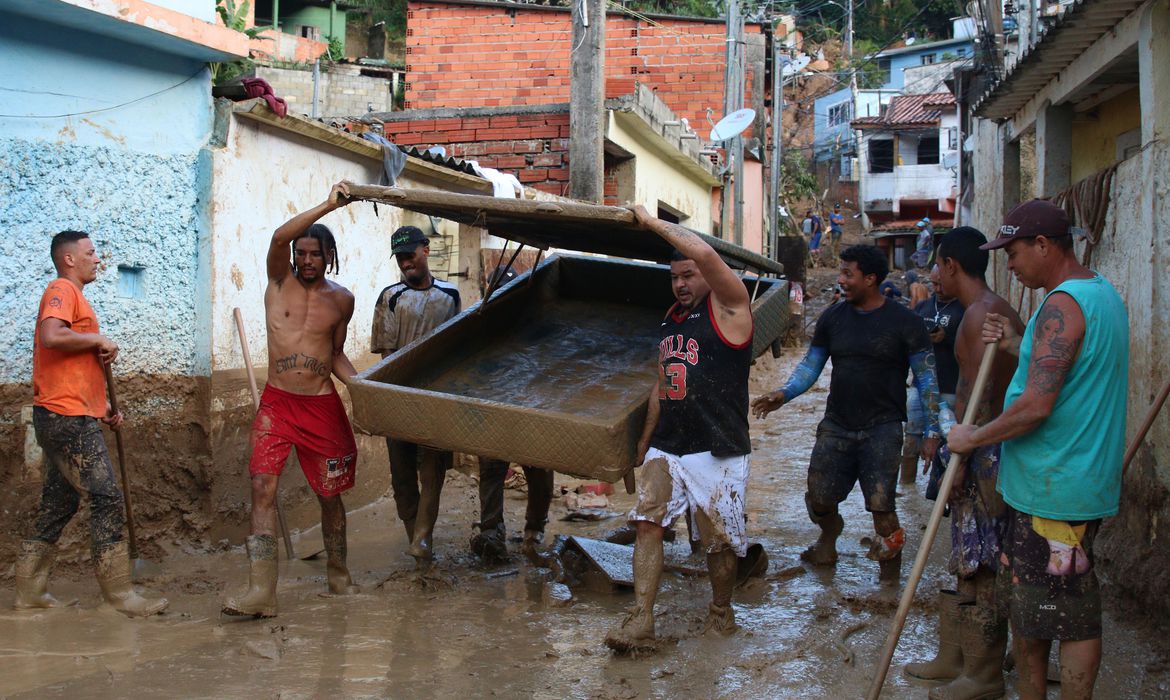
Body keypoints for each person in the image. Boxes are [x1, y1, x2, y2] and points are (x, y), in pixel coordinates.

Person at [948, 200, 1128, 700]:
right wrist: (1017, 342)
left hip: (1056, 487)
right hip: (1069, 481)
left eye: (1015, 252)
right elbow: (1065, 368)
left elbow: (1036, 405)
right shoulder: (1099, 294)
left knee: (1066, 613)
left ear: (1045, 246)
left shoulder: (1062, 304)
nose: (1009, 264)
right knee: (1041, 607)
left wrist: (972, 437)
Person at [604, 204, 755, 653]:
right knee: (647, 524)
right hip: (669, 445)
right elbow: (662, 383)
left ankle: (720, 613)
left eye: (688, 274)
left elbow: (708, 256)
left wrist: (651, 222)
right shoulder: (671, 319)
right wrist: (644, 443)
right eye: (675, 277)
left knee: (717, 542)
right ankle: (641, 618)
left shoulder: (731, 307)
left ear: (707, 273)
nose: (682, 283)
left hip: (718, 446)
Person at [752, 245, 941, 581]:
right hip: (837, 424)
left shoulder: (906, 323)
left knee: (882, 509)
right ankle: (829, 536)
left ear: (870, 278)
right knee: (819, 498)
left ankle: (889, 581)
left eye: (847, 274)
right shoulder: (833, 318)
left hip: (883, 429)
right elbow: (811, 366)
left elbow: (926, 381)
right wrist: (784, 393)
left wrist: (930, 432)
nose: (840, 281)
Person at [222, 182, 362, 618]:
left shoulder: (342, 301)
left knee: (329, 496)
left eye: (313, 254)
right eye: (300, 253)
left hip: (321, 408)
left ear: (328, 257)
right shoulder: (278, 282)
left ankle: (339, 576)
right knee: (262, 487)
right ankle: (261, 592)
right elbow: (278, 239)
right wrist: (328, 205)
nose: (304, 260)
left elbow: (336, 355)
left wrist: (364, 389)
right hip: (277, 406)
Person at [14, 230, 169, 617]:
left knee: (59, 503)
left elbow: (72, 366)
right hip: (64, 415)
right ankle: (119, 595)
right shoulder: (61, 290)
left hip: (69, 412)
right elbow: (52, 336)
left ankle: (29, 590)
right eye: (91, 252)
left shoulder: (77, 298)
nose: (97, 258)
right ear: (69, 259)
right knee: (106, 496)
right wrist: (97, 338)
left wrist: (102, 409)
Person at [904, 227, 1024, 698]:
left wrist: (960, 464)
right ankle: (957, 656)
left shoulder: (981, 314)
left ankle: (984, 672)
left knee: (987, 558)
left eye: (936, 265)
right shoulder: (985, 311)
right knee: (968, 557)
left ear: (951, 265)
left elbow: (980, 397)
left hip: (985, 452)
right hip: (979, 445)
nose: (933, 275)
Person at [371, 225, 461, 568]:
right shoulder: (390, 297)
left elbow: (456, 347)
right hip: (398, 396)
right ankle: (417, 540)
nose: (406, 262)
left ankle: (422, 539)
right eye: (400, 258)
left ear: (426, 249)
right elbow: (386, 356)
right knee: (403, 478)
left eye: (410, 254)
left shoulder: (450, 295)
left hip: (437, 398)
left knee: (433, 470)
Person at [900, 263, 964, 483]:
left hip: (950, 386)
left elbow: (972, 348)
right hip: (919, 386)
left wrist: (947, 338)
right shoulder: (923, 308)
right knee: (911, 438)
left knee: (948, 442)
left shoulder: (964, 309)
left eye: (941, 283)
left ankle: (945, 489)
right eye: (934, 283)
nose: (937, 288)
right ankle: (906, 489)